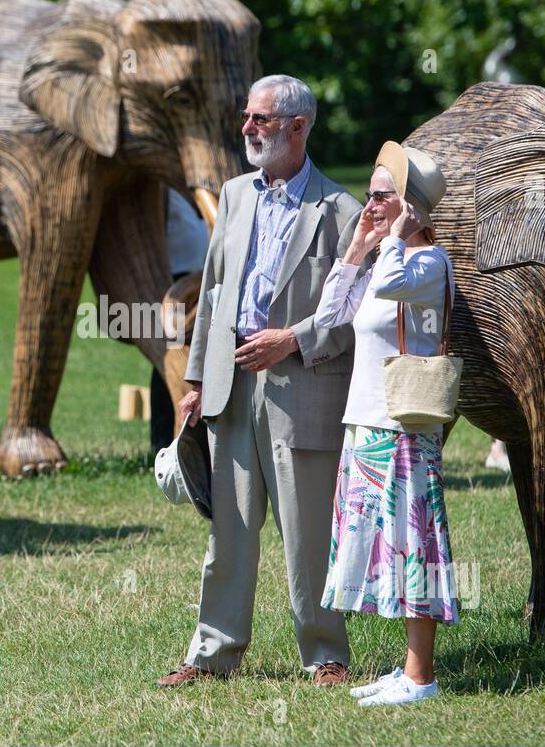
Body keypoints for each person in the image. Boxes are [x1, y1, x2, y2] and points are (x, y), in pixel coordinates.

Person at [155, 74, 367, 688]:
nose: (247, 129)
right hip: (230, 388)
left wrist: (292, 340)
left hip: (303, 388)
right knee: (230, 531)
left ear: (298, 128)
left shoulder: (341, 212)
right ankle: (212, 654)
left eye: (261, 120)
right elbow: (214, 294)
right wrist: (196, 379)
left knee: (307, 534)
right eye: (247, 117)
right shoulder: (235, 194)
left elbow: (354, 316)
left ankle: (326, 654)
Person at [313, 141, 459, 706]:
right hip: (368, 423)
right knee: (386, 547)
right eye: (369, 195)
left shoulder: (426, 262)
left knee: (411, 545)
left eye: (382, 196)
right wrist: (357, 248)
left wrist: (393, 239)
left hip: (404, 426)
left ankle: (422, 677)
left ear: (411, 205)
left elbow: (399, 288)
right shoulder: (386, 257)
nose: (369, 205)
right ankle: (407, 670)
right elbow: (330, 316)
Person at [149, 188, 210, 455]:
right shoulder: (164, 192)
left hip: (203, 279)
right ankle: (162, 438)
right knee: (170, 358)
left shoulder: (201, 191)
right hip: (174, 283)